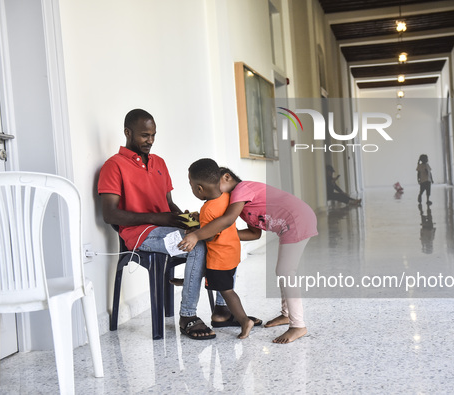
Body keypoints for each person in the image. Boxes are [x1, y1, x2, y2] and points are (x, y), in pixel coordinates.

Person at [97, 109, 231, 340]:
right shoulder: (114, 165)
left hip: (166, 228)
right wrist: (158, 219)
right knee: (196, 246)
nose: (150, 141)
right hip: (140, 235)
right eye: (144, 135)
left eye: (153, 135)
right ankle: (188, 316)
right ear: (128, 132)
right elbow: (110, 214)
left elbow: (168, 204)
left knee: (216, 236)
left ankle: (222, 308)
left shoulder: (159, 162)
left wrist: (186, 220)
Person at [178, 168, 318, 344]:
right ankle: (286, 314)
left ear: (227, 177)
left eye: (216, 184)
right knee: (282, 271)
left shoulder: (242, 189)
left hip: (298, 219)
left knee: (286, 271)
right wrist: (208, 229)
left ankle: (298, 325)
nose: (215, 191)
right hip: (289, 224)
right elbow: (254, 234)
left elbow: (227, 220)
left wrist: (198, 235)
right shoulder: (242, 206)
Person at [187, 158, 261, 339]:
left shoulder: (207, 210)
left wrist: (195, 231)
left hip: (219, 258)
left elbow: (210, 235)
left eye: (191, 185)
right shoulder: (228, 198)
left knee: (227, 292)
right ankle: (186, 283)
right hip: (232, 253)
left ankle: (244, 320)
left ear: (199, 189)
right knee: (221, 283)